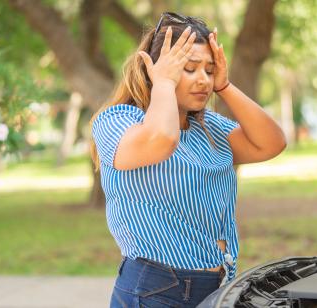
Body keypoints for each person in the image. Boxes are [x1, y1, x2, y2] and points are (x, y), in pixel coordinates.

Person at [90, 12, 286, 307]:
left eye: (209, 70)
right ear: (153, 70)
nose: (203, 80)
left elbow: (272, 143)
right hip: (156, 290)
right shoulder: (118, 121)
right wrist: (165, 84)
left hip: (216, 287)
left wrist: (225, 86)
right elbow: (161, 140)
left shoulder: (208, 127)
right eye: (189, 68)